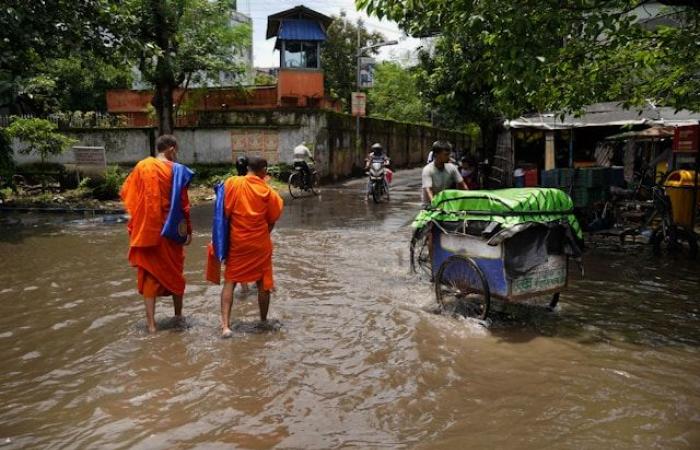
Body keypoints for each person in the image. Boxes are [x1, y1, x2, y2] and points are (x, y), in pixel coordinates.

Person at [120, 134, 194, 333]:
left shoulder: (142, 167)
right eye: (176, 150)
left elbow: (130, 195)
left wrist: (137, 222)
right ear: (171, 149)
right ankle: (178, 317)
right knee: (176, 273)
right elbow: (183, 204)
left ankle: (151, 325)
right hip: (170, 232)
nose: (176, 154)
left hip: (147, 231)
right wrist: (188, 229)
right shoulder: (177, 170)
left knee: (150, 276)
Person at [212, 156, 284, 338]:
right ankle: (262, 320)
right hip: (259, 243)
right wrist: (263, 234)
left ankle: (225, 327)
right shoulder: (267, 191)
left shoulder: (232, 183)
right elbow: (272, 219)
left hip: (237, 243)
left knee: (230, 281)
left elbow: (222, 213)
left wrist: (222, 241)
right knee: (263, 284)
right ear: (263, 170)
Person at [422, 140, 468, 207]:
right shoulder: (428, 170)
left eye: (449, 154)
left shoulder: (452, 168)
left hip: (445, 204)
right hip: (429, 205)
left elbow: (463, 186)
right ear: (436, 155)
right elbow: (428, 190)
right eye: (446, 155)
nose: (448, 157)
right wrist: (435, 205)